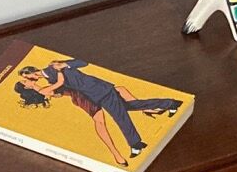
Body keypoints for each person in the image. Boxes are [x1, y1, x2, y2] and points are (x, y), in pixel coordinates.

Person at [15, 59, 181, 166]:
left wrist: (64, 65)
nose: (27, 79)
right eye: (25, 80)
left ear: (30, 72)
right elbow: (60, 86)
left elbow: (82, 63)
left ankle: (136, 144)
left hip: (100, 90)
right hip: (94, 95)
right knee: (130, 106)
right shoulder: (50, 77)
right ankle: (171, 103)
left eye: (25, 76)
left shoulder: (52, 67)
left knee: (120, 115)